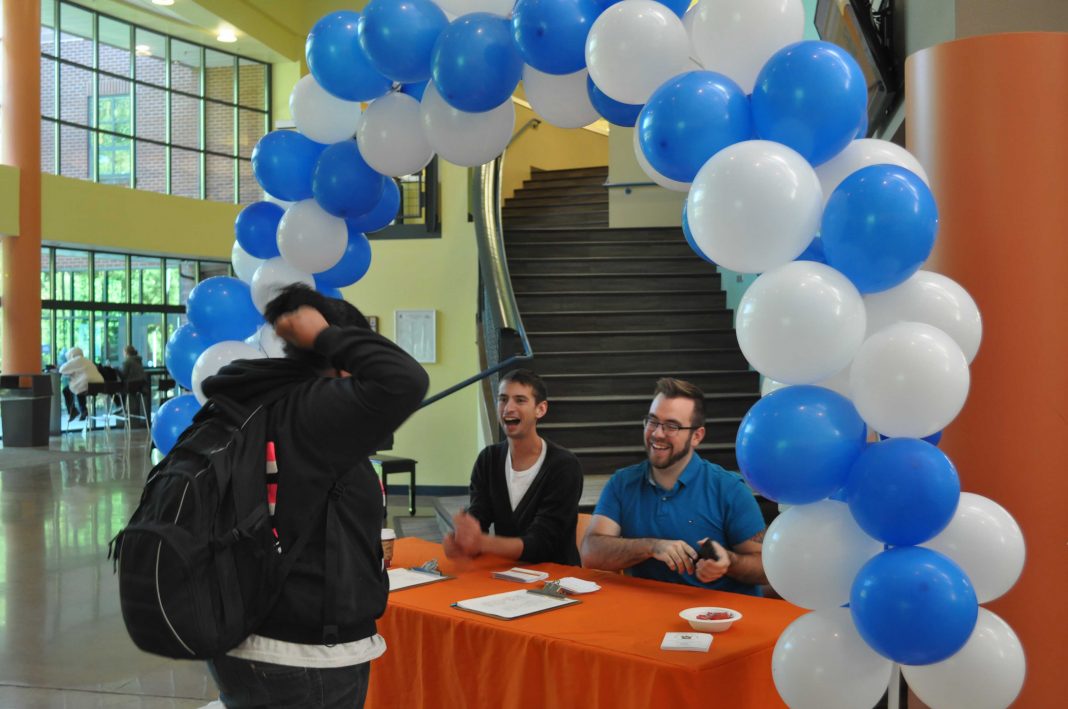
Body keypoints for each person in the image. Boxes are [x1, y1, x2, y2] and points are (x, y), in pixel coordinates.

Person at [201, 284, 429, 709]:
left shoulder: (255, 403)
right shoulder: (315, 411)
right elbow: (406, 380)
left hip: (244, 642)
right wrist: (325, 337)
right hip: (304, 657)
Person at [580, 378, 767, 595]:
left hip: (718, 616)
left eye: (671, 426)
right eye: (652, 421)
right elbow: (591, 553)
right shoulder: (622, 483)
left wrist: (729, 561)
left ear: (696, 436)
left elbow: (764, 568)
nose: (657, 433)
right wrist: (652, 546)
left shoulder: (729, 488)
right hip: (649, 613)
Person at [445, 369, 583, 566]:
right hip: (507, 575)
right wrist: (460, 540)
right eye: (503, 399)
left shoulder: (564, 466)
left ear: (540, 409)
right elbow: (479, 515)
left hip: (556, 583)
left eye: (520, 400)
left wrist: (483, 543)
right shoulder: (488, 459)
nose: (508, 408)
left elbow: (542, 543)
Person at [58, 346, 104, 421]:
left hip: (86, 386)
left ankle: (73, 411)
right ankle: (83, 410)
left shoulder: (75, 361)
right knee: (79, 388)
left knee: (66, 390)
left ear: (71, 355)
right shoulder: (87, 360)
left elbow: (62, 370)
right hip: (99, 386)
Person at [120, 345, 151, 427]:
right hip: (141, 386)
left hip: (131, 387)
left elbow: (123, 375)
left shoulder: (127, 362)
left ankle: (121, 407)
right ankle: (124, 408)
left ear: (126, 353)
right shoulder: (138, 361)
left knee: (118, 390)